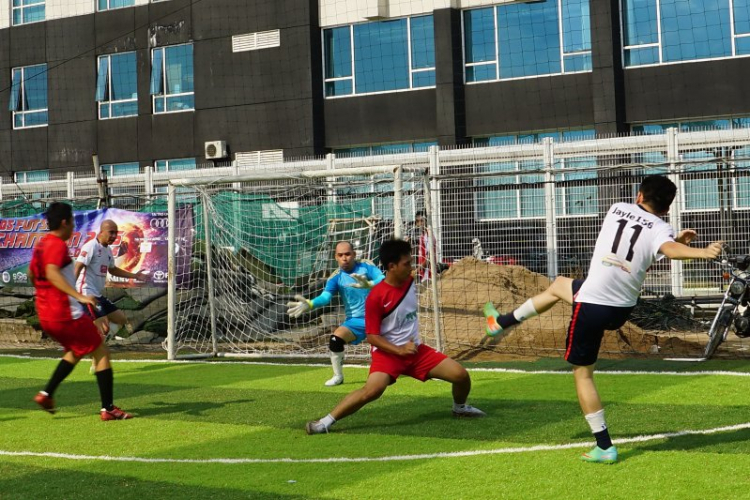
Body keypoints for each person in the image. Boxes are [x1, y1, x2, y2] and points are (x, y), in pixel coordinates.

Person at [483, 175, 722, 463]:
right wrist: (693, 249)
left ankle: (605, 445)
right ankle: (501, 323)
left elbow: (638, 243)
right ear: (667, 208)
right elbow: (658, 248)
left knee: (583, 374)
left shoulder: (616, 209)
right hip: (620, 308)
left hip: (594, 303)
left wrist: (681, 246)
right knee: (559, 285)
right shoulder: (661, 228)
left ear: (639, 195)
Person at [305, 238, 485, 434]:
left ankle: (460, 408)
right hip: (388, 354)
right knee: (371, 391)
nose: (411, 267)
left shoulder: (408, 280)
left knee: (461, 376)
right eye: (407, 263)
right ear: (392, 266)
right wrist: (399, 350)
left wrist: (440, 263)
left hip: (416, 352)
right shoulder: (375, 298)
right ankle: (324, 423)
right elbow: (372, 337)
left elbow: (417, 272)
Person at [30, 202, 133, 421]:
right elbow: (52, 272)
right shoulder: (57, 244)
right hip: (66, 313)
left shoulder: (41, 245)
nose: (74, 226)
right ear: (65, 222)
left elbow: (33, 275)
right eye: (73, 221)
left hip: (47, 315)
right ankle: (108, 409)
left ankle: (46, 394)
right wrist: (78, 295)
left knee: (77, 351)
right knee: (102, 352)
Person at [287, 241, 385, 386]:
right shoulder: (335, 277)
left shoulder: (366, 266)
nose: (344, 258)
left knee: (390, 351)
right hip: (356, 321)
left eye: (347, 254)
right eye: (340, 255)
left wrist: (370, 284)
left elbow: (382, 278)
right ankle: (338, 376)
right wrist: (310, 303)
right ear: (335, 257)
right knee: (335, 340)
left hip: (380, 318)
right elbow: (326, 297)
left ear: (354, 254)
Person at [75, 219, 149, 338]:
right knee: (104, 328)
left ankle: (100, 340)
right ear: (101, 232)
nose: (114, 236)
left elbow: (113, 269)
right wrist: (72, 293)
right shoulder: (91, 246)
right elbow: (78, 267)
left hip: (97, 295)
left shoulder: (108, 250)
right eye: (111, 232)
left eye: (116, 233)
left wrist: (134, 275)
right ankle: (82, 343)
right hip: (87, 293)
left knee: (121, 319)